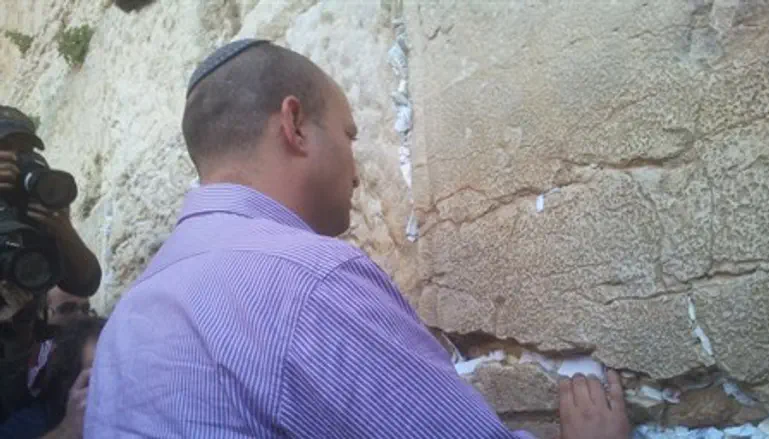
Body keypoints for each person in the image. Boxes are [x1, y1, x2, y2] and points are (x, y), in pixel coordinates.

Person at [85, 40, 630, 439]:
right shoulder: (308, 280)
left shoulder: (128, 317)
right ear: (294, 124)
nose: (356, 171)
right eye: (348, 135)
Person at [0, 106, 102, 433]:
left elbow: (85, 281)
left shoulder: (38, 200)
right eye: (6, 148)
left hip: (16, 369)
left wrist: (62, 229)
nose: (15, 158)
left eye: (24, 150)